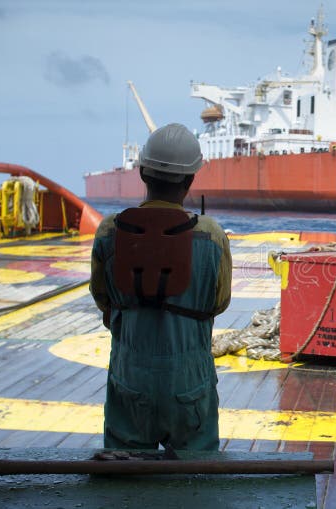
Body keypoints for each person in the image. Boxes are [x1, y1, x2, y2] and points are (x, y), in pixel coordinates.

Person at [90, 123, 232, 450]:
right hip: (190, 380)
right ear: (191, 179)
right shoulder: (211, 234)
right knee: (193, 483)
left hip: (130, 375)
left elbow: (102, 297)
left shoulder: (110, 231)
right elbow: (219, 302)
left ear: (142, 173)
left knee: (125, 479)